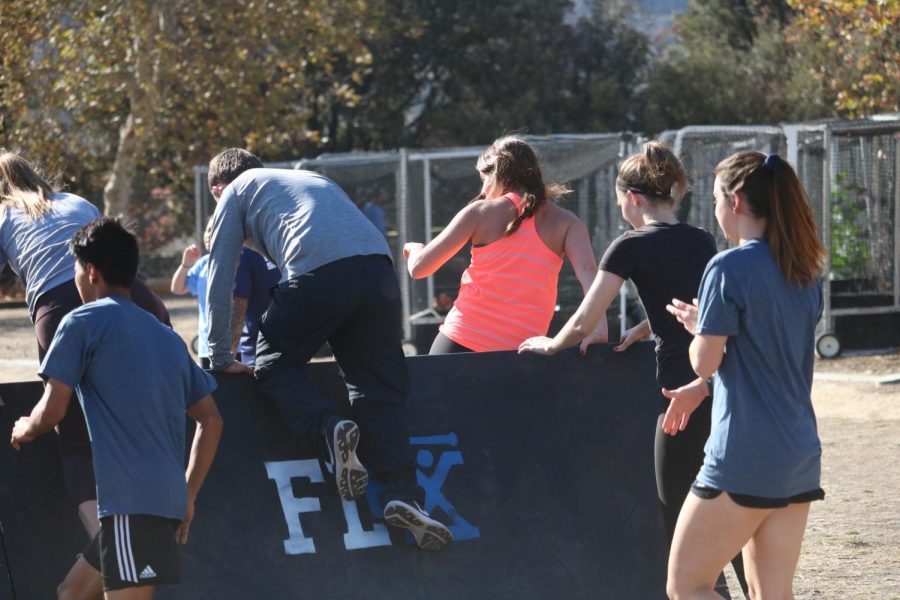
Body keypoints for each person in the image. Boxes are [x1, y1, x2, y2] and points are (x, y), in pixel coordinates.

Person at [518, 141, 746, 596]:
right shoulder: (700, 237)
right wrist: (648, 325)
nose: (621, 205)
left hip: (679, 395)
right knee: (731, 506)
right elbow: (697, 303)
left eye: (620, 197)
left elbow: (586, 317)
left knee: (677, 508)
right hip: (721, 385)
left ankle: (710, 590)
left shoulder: (629, 245)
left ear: (634, 198)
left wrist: (552, 343)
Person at [204, 148, 452, 551]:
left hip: (318, 272)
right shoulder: (309, 180)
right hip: (377, 270)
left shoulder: (235, 193)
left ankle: (328, 429)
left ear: (218, 188)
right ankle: (404, 495)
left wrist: (219, 356)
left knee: (272, 363)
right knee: (378, 388)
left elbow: (221, 277)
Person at [10, 217, 223, 599]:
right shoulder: (166, 336)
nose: (75, 277)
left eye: (76, 268)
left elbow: (53, 411)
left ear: (90, 272)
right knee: (71, 593)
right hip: (154, 500)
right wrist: (188, 493)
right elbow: (211, 419)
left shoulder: (81, 322)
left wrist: (26, 426)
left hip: (131, 504)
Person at [664, 152, 825, 599]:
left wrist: (700, 329)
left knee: (686, 588)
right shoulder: (806, 272)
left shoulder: (727, 267)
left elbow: (704, 361)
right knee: (771, 593)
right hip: (798, 454)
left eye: (715, 198)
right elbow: (767, 358)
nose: (713, 210)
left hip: (743, 455)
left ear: (734, 201)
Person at [0, 150, 171, 539]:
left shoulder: (3, 214)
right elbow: (116, 258)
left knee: (73, 439)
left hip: (56, 306)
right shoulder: (76, 201)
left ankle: (103, 543)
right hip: (124, 293)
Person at [402, 136, 602, 354]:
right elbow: (590, 274)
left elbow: (419, 268)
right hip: (523, 352)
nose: (484, 191)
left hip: (460, 343)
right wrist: (598, 329)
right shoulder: (568, 222)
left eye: (483, 179)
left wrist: (414, 248)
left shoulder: (479, 212)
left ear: (495, 174)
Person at [171, 217, 280, 368]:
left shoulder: (238, 259)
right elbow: (177, 288)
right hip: (207, 344)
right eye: (208, 230)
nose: (209, 234)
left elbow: (239, 305)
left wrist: (229, 353)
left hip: (236, 346)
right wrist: (185, 265)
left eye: (215, 229)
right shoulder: (203, 263)